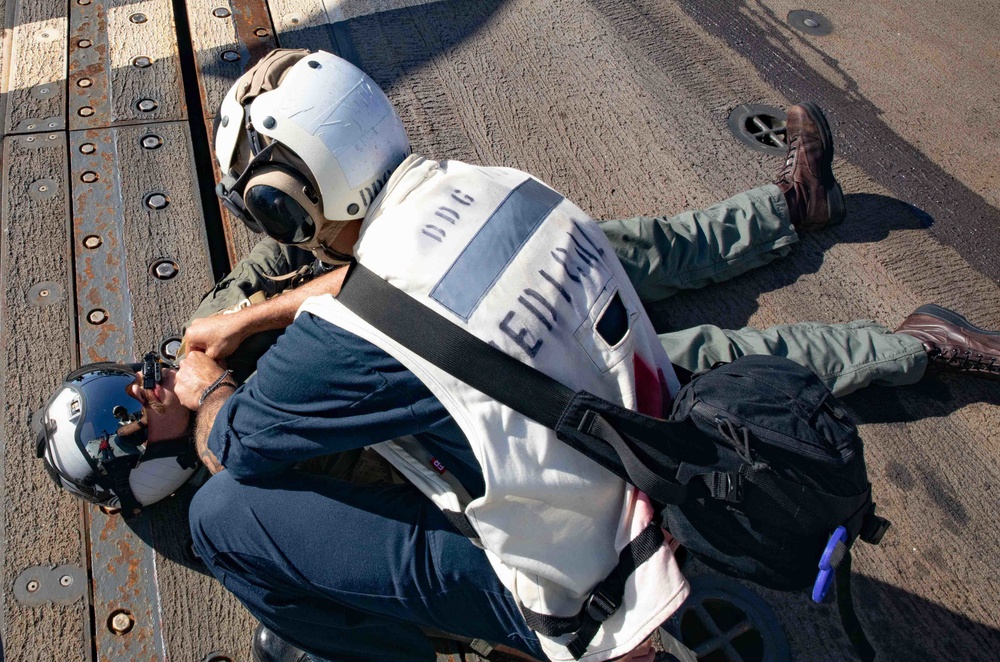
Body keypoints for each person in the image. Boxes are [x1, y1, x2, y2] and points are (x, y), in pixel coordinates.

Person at [31, 49, 999, 662]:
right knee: (697, 344)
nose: (153, 379)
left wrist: (230, 350)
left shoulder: (247, 343)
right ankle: (904, 344)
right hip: (523, 372)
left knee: (657, 271)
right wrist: (243, 340)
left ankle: (806, 232)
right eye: (139, 397)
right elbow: (318, 309)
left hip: (523, 428)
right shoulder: (487, 183)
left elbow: (249, 422)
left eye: (142, 374)